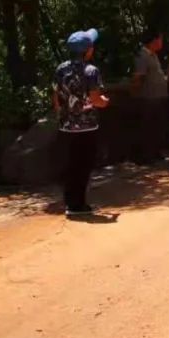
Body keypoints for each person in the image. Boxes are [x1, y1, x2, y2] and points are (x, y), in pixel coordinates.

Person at [52, 28, 110, 216]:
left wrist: (61, 115)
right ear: (88, 50)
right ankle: (78, 205)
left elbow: (56, 97)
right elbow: (95, 99)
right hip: (87, 127)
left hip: (67, 126)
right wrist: (105, 102)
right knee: (83, 165)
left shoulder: (61, 69)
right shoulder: (91, 71)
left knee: (70, 164)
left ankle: (70, 202)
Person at [130, 29, 168, 163]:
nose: (161, 42)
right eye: (160, 39)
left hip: (158, 97)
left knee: (157, 126)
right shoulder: (142, 55)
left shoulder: (154, 55)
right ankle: (144, 156)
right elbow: (138, 77)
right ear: (154, 41)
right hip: (147, 97)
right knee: (146, 127)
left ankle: (155, 152)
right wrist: (135, 94)